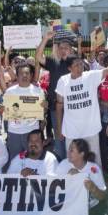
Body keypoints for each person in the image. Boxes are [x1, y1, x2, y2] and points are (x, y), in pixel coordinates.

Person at [55, 41, 108, 167]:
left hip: (91, 129)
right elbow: (59, 105)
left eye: (81, 64)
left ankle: (96, 183)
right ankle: (75, 184)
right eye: (76, 65)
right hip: (71, 130)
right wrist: (59, 127)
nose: (80, 67)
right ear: (69, 68)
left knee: (94, 161)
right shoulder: (63, 81)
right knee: (72, 162)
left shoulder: (91, 76)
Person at [36, 31, 74, 160]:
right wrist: (46, 38)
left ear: (71, 50)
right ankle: (61, 163)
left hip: (73, 107)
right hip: (54, 107)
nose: (63, 50)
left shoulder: (76, 64)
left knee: (71, 137)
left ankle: (71, 162)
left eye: (66, 48)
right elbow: (38, 56)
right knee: (58, 137)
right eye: (61, 48)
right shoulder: (53, 62)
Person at [3, 63, 45, 161]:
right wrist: (2, 109)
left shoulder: (38, 91)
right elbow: (6, 110)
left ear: (31, 75)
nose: (24, 76)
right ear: (17, 76)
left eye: (27, 73)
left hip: (32, 132)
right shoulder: (10, 92)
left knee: (33, 159)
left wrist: (44, 107)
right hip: (14, 133)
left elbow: (42, 112)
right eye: (21, 73)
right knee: (14, 160)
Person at [56, 139, 106, 215]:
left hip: (91, 209)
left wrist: (93, 188)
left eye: (71, 150)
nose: (68, 152)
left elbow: (102, 196)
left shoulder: (94, 168)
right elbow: (53, 190)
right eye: (69, 149)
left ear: (81, 154)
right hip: (69, 208)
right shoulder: (63, 164)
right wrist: (67, 179)